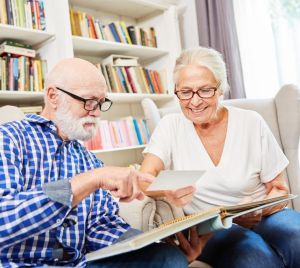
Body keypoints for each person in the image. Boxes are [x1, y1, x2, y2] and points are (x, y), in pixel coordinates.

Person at [0, 58, 188, 268]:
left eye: (100, 103)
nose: (97, 112)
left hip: (80, 265)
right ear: (53, 96)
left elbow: (100, 226)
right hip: (21, 264)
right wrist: (89, 180)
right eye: (88, 101)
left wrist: (138, 244)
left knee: (169, 258)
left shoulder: (89, 160)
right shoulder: (8, 139)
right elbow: (3, 221)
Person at [140, 47, 300, 267]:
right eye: (185, 92)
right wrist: (167, 190)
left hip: (265, 214)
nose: (194, 102)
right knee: (253, 257)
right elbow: (144, 178)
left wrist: (259, 209)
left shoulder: (251, 122)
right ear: (176, 91)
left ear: (220, 89)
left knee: (297, 237)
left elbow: (279, 187)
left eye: (205, 90)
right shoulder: (170, 126)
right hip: (212, 227)